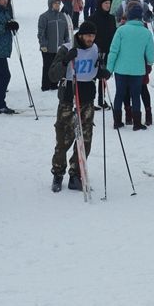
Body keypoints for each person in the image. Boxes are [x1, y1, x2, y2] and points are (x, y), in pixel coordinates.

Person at [48, 21, 108, 192]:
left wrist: (103, 72)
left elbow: (97, 68)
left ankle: (76, 174)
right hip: (68, 97)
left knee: (85, 138)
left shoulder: (96, 49)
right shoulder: (67, 49)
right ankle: (58, 174)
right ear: (80, 35)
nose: (91, 38)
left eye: (93, 35)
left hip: (87, 97)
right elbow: (52, 75)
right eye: (88, 35)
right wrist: (66, 61)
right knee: (64, 138)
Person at [106, 2, 154, 130]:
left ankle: (117, 121)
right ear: (141, 17)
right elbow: (150, 52)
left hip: (120, 69)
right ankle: (137, 123)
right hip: (138, 70)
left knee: (119, 94)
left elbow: (114, 50)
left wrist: (109, 69)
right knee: (136, 95)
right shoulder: (146, 33)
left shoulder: (121, 30)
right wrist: (149, 63)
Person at [38, 0, 71, 92]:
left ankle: (54, 84)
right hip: (48, 48)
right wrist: (43, 44)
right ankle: (45, 85)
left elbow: (66, 32)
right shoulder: (44, 17)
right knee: (47, 66)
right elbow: (41, 32)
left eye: (59, 3)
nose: (57, 5)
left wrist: (67, 42)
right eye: (55, 3)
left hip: (59, 48)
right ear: (50, 4)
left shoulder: (62, 17)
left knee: (57, 66)